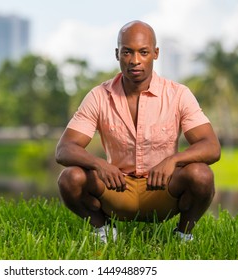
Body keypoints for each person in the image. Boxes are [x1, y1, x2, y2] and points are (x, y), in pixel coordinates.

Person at [55, 20, 221, 243]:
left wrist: (174, 160)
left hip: (162, 189)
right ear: (117, 54)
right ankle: (103, 230)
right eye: (127, 52)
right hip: (118, 188)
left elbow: (211, 146)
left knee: (201, 174)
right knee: (70, 178)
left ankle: (183, 234)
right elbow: (64, 149)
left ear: (155, 53)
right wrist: (99, 164)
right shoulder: (98, 96)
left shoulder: (178, 94)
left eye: (143, 52)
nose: (135, 61)